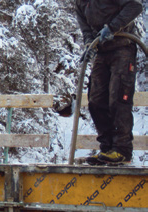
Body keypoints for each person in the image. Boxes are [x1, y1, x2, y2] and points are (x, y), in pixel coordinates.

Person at [75, 0, 142, 165]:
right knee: (95, 101)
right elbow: (85, 28)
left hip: (123, 47)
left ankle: (122, 150)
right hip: (102, 51)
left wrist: (112, 27)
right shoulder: (80, 3)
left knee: (118, 98)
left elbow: (135, 5)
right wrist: (89, 44)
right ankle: (107, 149)